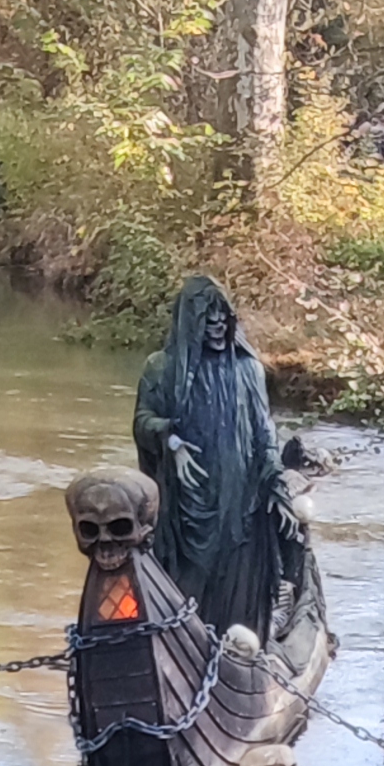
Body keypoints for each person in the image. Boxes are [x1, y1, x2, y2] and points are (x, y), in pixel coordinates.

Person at [132, 275, 309, 645]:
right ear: (188, 321)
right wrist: (172, 440)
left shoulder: (248, 369)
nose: (216, 325)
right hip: (186, 508)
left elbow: (264, 433)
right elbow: (143, 420)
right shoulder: (161, 368)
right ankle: (180, 648)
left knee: (239, 593)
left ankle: (238, 657)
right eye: (206, 318)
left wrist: (276, 488)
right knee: (185, 589)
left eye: (221, 316)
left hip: (241, 506)